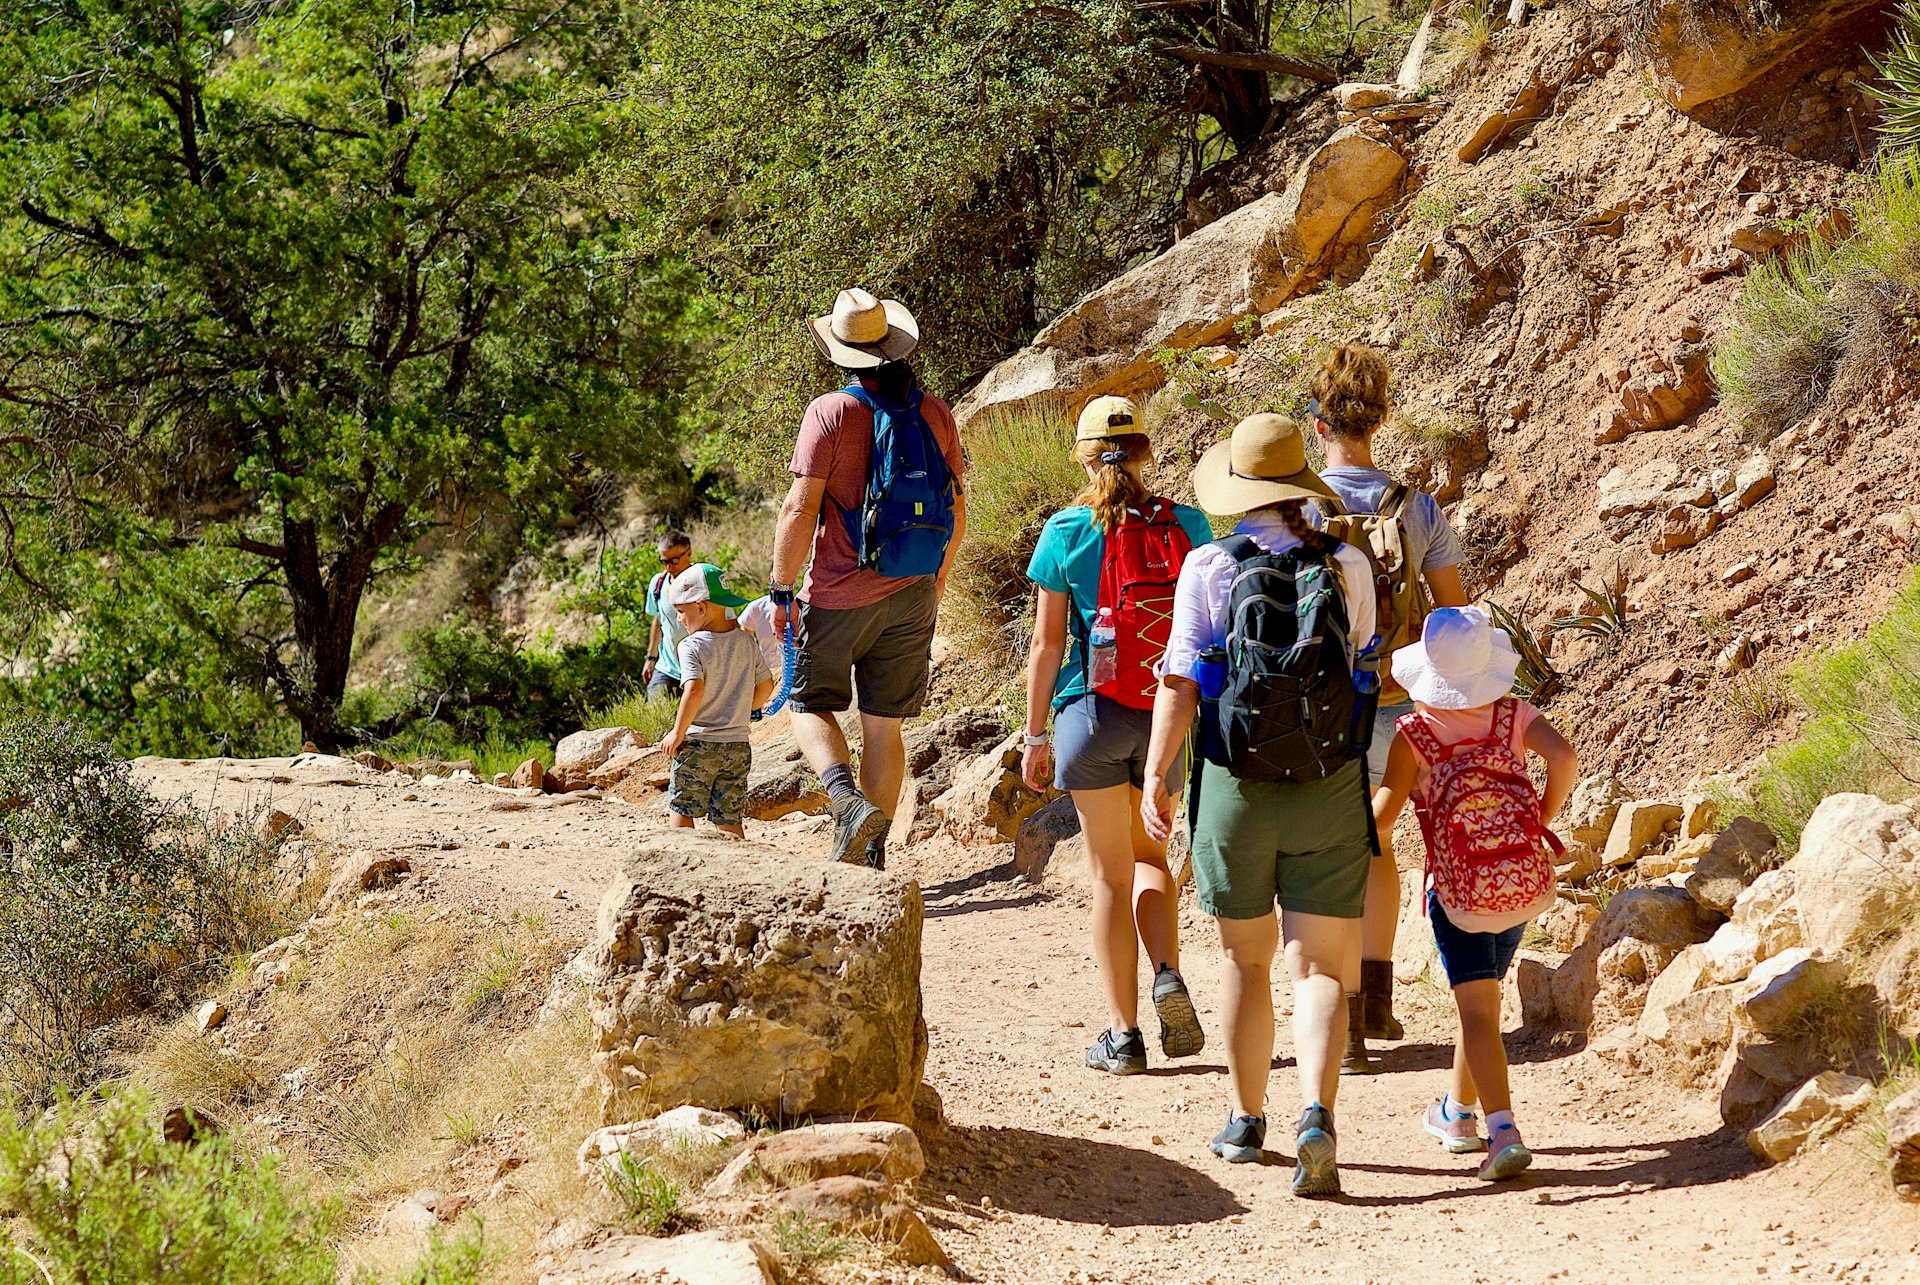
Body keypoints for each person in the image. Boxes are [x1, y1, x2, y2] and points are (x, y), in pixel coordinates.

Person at [1141, 412, 1377, 1197]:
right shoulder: (1347, 561)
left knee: (1246, 959)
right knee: (1315, 965)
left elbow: (1181, 683)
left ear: (1237, 489)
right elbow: (1362, 661)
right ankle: (1317, 1112)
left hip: (1233, 784)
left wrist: (1156, 777)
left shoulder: (1208, 564)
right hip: (1329, 783)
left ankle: (1246, 1120)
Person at [1021, 395, 1215, 1075]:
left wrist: (1033, 736)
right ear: (1146, 453)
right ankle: (1166, 971)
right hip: (1168, 716)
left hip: (1089, 716)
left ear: (1081, 455)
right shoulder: (1188, 524)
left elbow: (1048, 645)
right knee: (1151, 861)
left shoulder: (1065, 531)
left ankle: (1123, 1035)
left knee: (1107, 877)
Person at [1307, 343, 1470, 1072]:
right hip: (1400, 702)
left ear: (1319, 424)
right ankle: (1377, 993)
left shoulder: (1299, 507)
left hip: (1320, 704)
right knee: (1378, 846)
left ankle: (1341, 1020)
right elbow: (1455, 617)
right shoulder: (1418, 507)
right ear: (1379, 421)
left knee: (1326, 853)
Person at [1371, 607, 1576, 1181]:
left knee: (1478, 1011)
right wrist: (1539, 818)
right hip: (1519, 882)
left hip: (1459, 892)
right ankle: (1456, 1115)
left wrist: (1341, 832)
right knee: (1480, 1005)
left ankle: (1503, 1131)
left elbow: (1383, 817)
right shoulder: (1512, 715)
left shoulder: (1413, 736)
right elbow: (1563, 758)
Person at [768, 288, 967, 870]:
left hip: (836, 594)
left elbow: (800, 510)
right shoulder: (935, 412)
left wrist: (782, 588)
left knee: (805, 701)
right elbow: (956, 508)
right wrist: (937, 579)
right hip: (912, 592)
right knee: (884, 728)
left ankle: (845, 803)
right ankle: (869, 857)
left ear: (841, 353)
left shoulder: (830, 412)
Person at [658, 564, 773, 839]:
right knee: (729, 816)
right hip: (737, 746)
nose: (679, 619)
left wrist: (678, 732)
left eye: (681, 612)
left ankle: (681, 865)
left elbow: (694, 690)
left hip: (699, 744)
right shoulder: (747, 642)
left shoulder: (691, 646)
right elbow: (767, 686)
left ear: (701, 607)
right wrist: (743, 709)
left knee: (683, 809)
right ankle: (736, 867)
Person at [642, 532, 698, 698]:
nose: (669, 567)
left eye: (673, 561)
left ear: (688, 553)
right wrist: (650, 658)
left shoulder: (705, 581)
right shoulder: (657, 583)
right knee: (655, 715)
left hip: (700, 669)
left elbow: (728, 621)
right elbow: (659, 619)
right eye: (664, 561)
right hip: (667, 668)